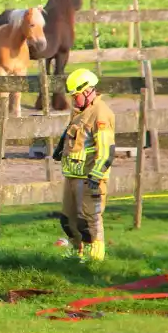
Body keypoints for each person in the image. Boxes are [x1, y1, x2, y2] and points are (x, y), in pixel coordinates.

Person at [53, 68, 115, 262]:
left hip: (90, 179)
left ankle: (94, 260)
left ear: (88, 91)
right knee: (68, 220)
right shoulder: (80, 111)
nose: (74, 100)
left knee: (88, 221)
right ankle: (75, 255)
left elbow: (106, 150)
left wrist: (96, 176)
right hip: (72, 176)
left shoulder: (100, 113)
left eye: (77, 96)